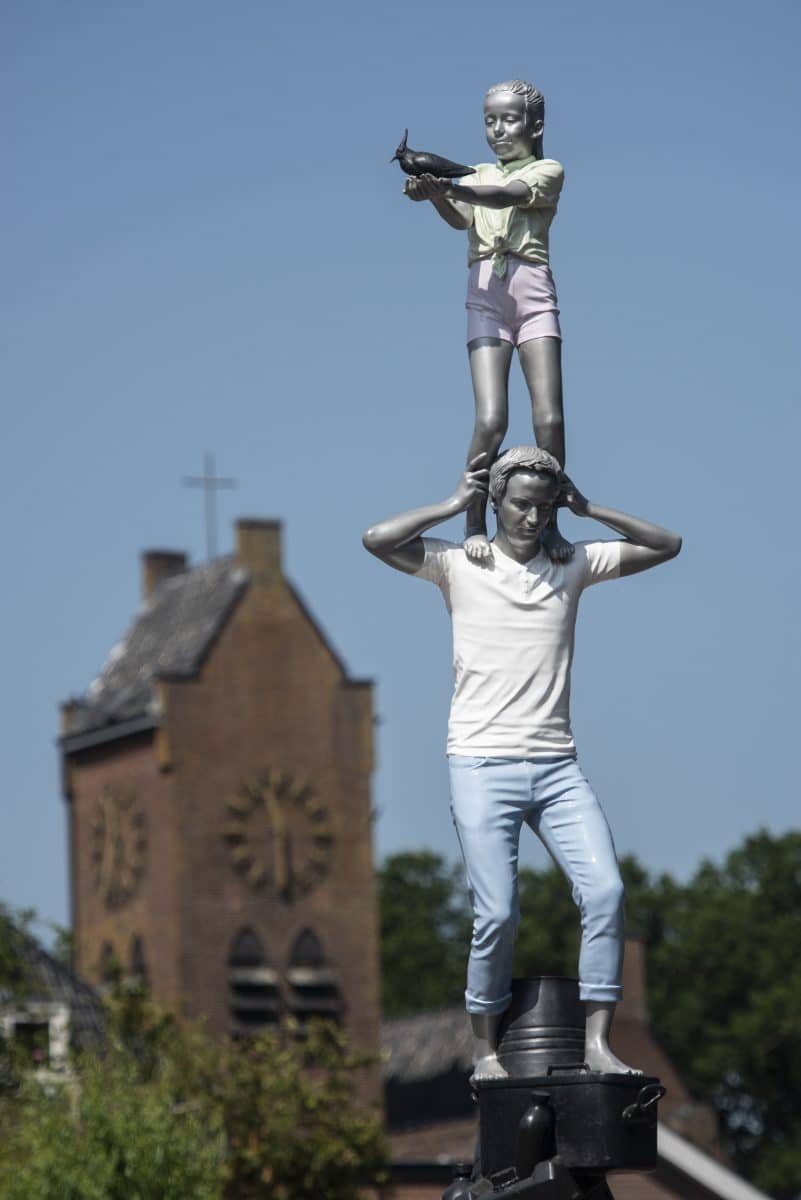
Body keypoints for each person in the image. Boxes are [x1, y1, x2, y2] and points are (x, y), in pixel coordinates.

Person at [363, 447, 681, 1079]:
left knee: (607, 892)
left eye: (542, 505)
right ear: (498, 501)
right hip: (481, 763)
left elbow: (666, 543)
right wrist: (458, 503)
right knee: (498, 911)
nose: (531, 517)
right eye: (519, 503)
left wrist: (586, 508)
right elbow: (377, 539)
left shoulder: (573, 565)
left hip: (557, 767)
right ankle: (484, 1050)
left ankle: (597, 1045)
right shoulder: (459, 566)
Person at [404, 80, 570, 564]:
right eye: (490, 120)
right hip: (485, 296)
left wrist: (451, 185)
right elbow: (461, 218)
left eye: (509, 119)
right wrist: (434, 194)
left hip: (532, 290)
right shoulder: (475, 173)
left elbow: (503, 196)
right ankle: (474, 518)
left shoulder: (547, 170)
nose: (498, 130)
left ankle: (552, 519)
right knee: (491, 418)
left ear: (535, 125)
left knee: (549, 417)